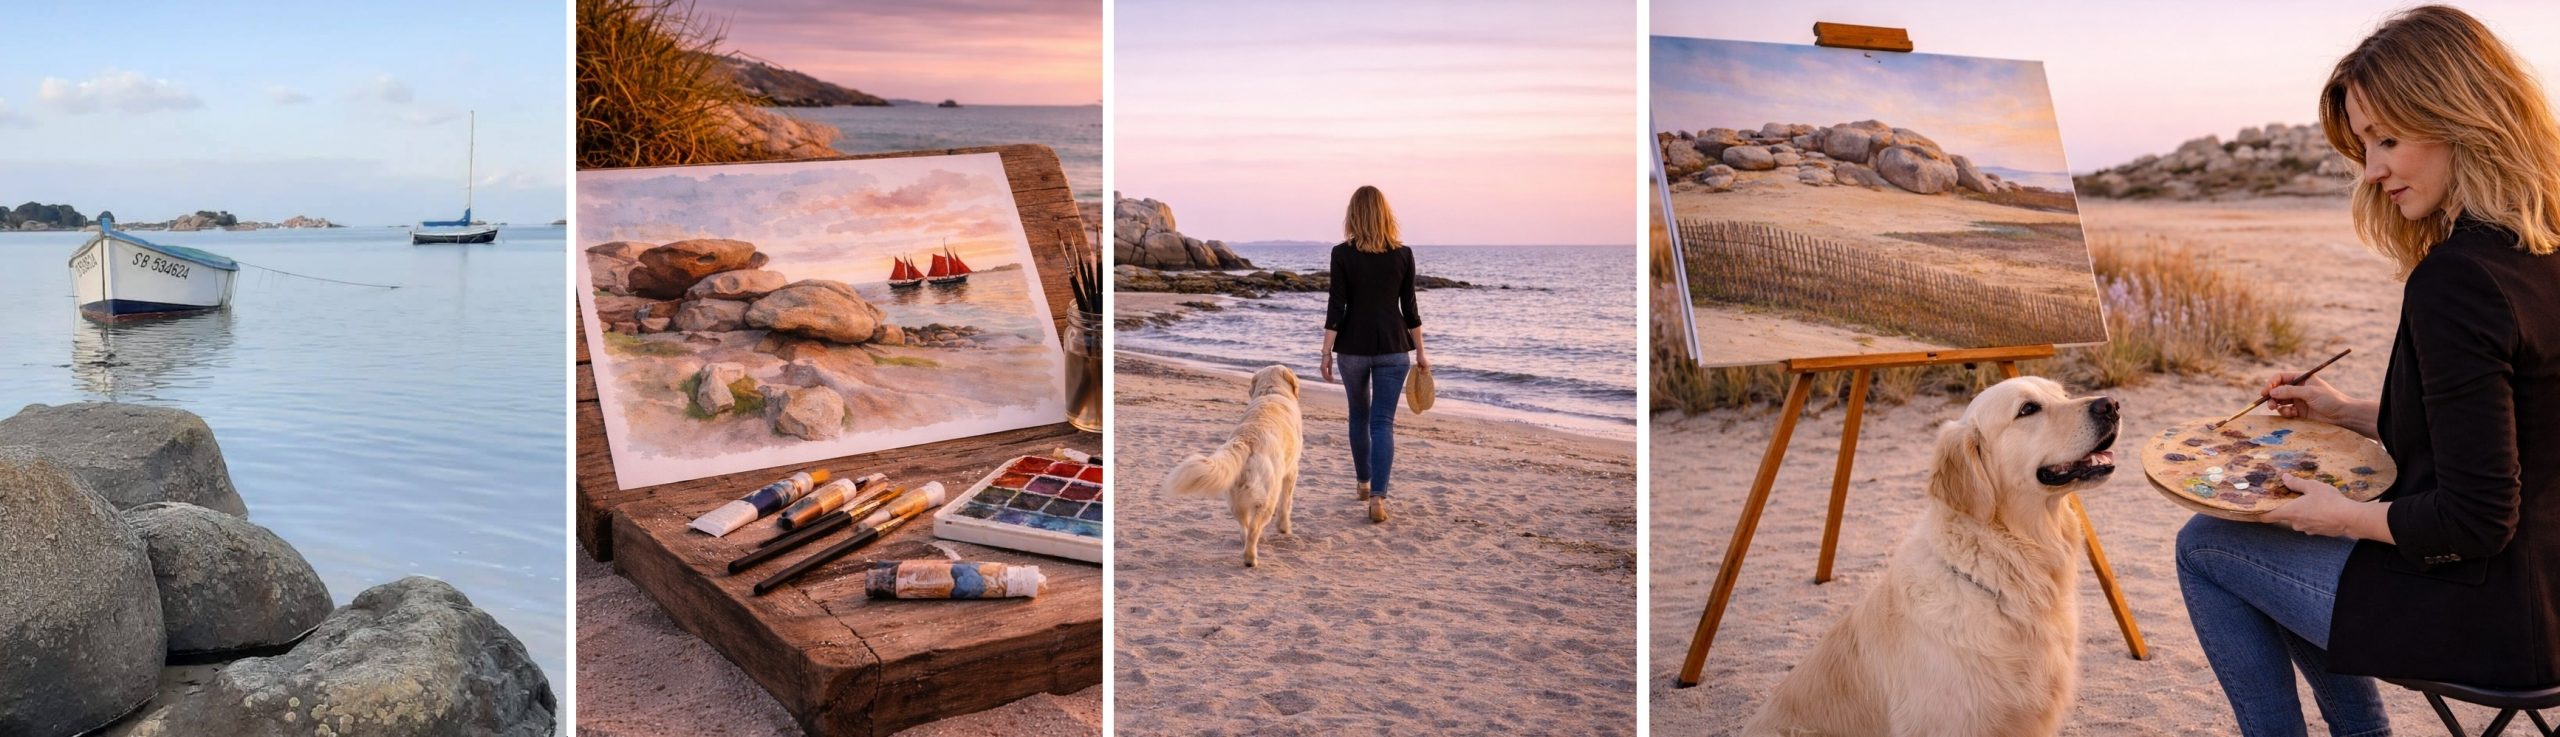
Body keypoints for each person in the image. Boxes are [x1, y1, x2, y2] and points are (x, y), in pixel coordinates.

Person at [2174, 6, 2560, 736]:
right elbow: (2516, 433)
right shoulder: (2541, 250)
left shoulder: (2459, 278)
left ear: (2459, 117)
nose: (2373, 169)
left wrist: (2341, 516)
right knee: (2295, 550)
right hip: (2550, 599)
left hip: (2494, 621)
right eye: (2363, 145)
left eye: (2388, 138)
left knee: (2206, 544)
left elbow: (2476, 519)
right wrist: (2345, 411)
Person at [1319, 185, 1427, 523]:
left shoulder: (1341, 254)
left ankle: (1363, 484)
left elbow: (1337, 305)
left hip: (1352, 348)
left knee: (1359, 416)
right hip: (1394, 348)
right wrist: (1421, 353)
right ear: (1385, 214)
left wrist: (1326, 352)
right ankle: (1378, 499)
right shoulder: (1403, 254)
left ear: (1353, 214)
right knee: (1383, 423)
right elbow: (1410, 309)